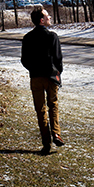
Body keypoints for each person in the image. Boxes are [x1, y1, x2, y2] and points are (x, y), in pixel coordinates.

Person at [21, 8, 64, 155]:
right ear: (41, 20)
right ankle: (56, 134)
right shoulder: (52, 37)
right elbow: (58, 59)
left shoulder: (27, 38)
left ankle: (46, 143)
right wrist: (58, 72)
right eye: (47, 16)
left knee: (40, 110)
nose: (49, 17)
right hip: (51, 77)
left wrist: (33, 69)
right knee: (53, 105)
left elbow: (24, 60)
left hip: (36, 78)